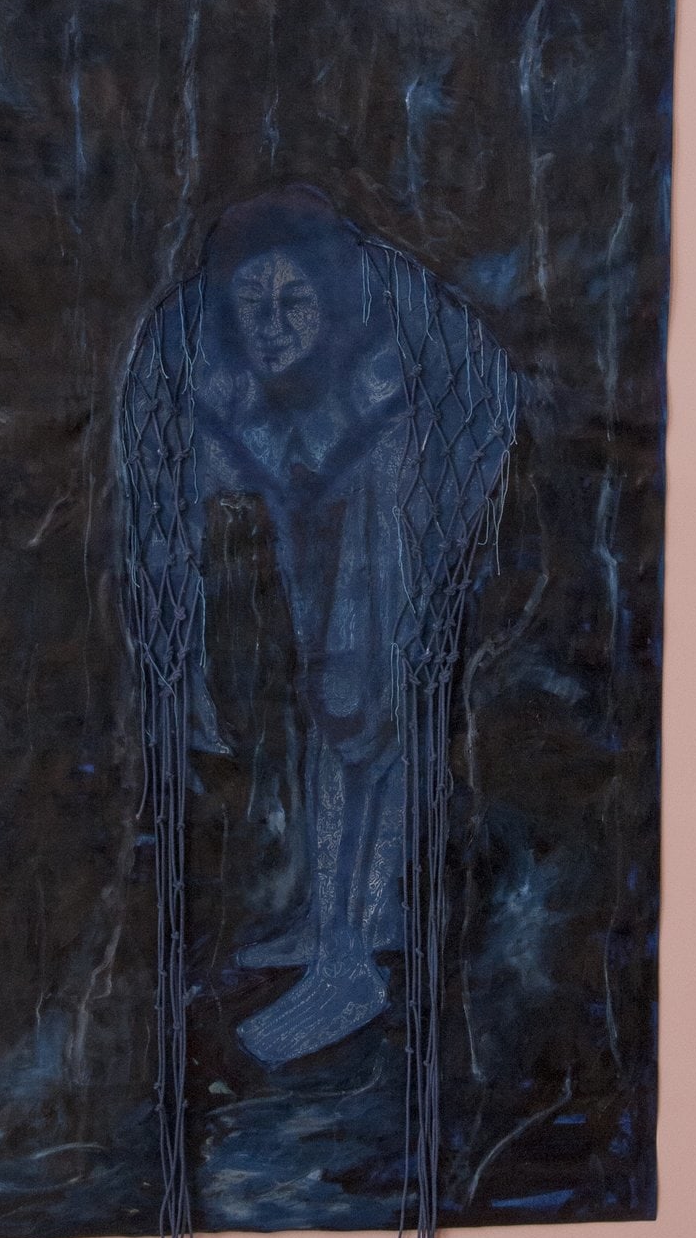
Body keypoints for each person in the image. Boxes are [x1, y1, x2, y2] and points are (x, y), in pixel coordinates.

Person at [122, 185, 517, 1064]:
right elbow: (196, 478)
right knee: (321, 700)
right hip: (314, 531)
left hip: (393, 525)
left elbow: (446, 456)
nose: (270, 325)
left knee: (360, 706)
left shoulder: (392, 373)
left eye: (293, 302)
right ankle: (341, 915)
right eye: (252, 303)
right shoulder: (217, 373)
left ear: (331, 300)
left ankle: (350, 962)